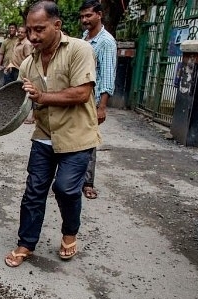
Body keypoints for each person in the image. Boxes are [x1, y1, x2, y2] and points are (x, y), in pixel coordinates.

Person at [4, 1, 101, 267]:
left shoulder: (80, 50)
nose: (33, 36)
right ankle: (26, 243)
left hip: (76, 136)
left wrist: (43, 96)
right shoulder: (27, 64)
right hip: (44, 135)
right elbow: (20, 102)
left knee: (66, 189)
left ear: (56, 25)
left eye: (39, 29)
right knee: (33, 191)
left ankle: (69, 232)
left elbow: (82, 93)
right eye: (29, 30)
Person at [79, 0, 117, 200]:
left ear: (99, 15)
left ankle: (87, 182)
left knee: (88, 140)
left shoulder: (106, 42)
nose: (85, 20)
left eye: (89, 15)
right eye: (83, 16)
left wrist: (102, 106)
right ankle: (74, 177)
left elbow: (108, 75)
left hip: (93, 101)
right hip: (79, 97)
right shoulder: (85, 38)